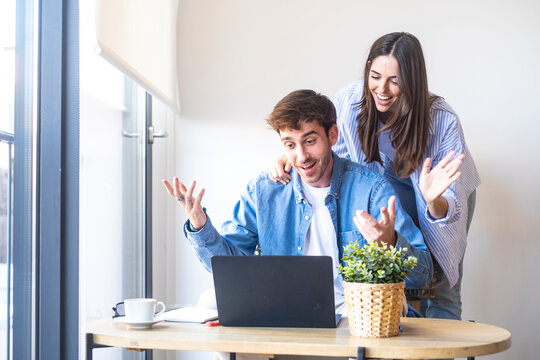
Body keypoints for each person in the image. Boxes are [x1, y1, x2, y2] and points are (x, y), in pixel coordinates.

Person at [163, 89, 433, 318]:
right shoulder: (264, 189)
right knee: (209, 303)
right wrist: (201, 226)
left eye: (310, 141)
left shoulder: (371, 189)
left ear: (333, 135)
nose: (301, 156)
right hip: (280, 301)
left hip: (350, 305)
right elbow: (230, 269)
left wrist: (390, 243)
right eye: (290, 144)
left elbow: (423, 275)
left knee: (392, 308)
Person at [270, 33, 480, 320]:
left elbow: (448, 204)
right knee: (389, 269)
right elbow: (331, 155)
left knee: (441, 286)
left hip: (440, 196)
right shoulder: (350, 100)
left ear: (413, 80)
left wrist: (433, 201)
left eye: (395, 80)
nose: (382, 89)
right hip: (384, 188)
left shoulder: (442, 119)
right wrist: (295, 155)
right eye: (375, 76)